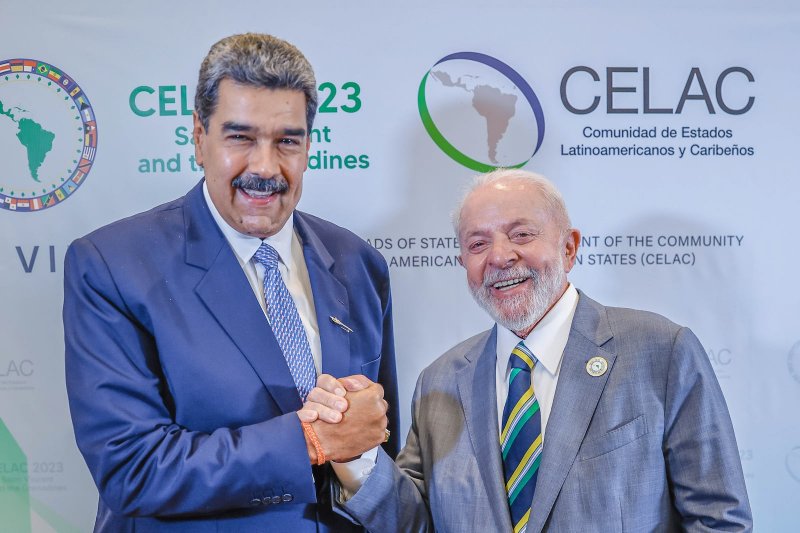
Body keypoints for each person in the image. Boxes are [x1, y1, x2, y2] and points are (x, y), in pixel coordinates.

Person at [63, 33, 398, 532]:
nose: (264, 167)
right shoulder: (113, 264)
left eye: (287, 141)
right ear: (199, 138)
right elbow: (132, 468)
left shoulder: (358, 263)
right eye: (240, 138)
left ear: (309, 145)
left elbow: (379, 447)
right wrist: (310, 441)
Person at [312, 168, 752, 532]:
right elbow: (414, 523)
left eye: (521, 234)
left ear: (569, 247)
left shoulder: (661, 351)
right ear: (463, 263)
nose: (500, 256)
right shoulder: (440, 381)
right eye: (478, 244)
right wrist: (356, 454)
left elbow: (718, 520)